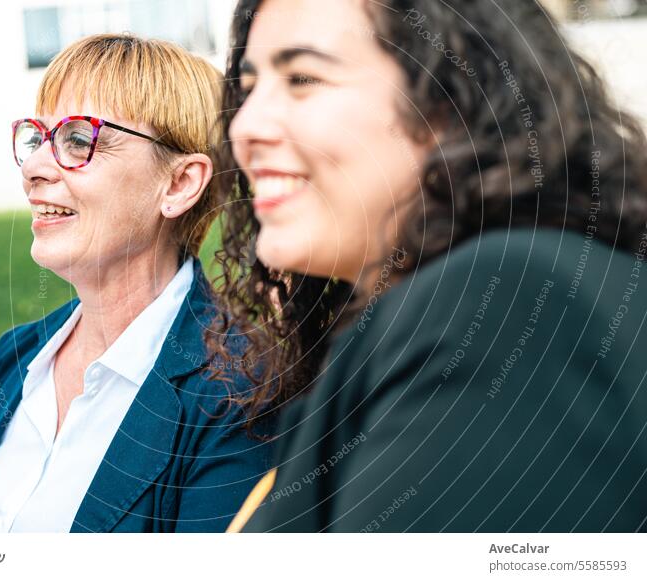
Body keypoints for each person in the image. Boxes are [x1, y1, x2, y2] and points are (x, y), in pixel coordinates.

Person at [214, 0, 647, 532]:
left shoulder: (505, 302)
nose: (245, 126)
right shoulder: (425, 319)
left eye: (302, 77)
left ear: (450, 102)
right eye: (249, 87)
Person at [0, 33, 274, 533]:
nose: (32, 168)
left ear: (180, 184)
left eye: (78, 139)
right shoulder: (14, 359)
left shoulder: (238, 392)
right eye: (37, 138)